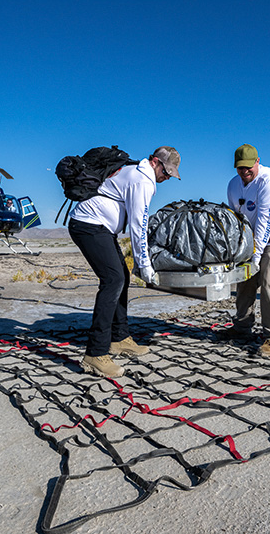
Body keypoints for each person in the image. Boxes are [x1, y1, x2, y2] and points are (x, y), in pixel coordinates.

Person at [68, 146, 181, 378]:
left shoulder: (135, 172)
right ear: (155, 162)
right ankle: (95, 353)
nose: (167, 178)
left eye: (170, 175)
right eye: (166, 172)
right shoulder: (143, 181)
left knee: (122, 277)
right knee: (112, 280)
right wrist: (145, 265)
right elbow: (138, 226)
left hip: (100, 228)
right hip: (89, 225)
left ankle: (119, 338)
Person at [224, 144, 270, 357]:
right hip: (252, 236)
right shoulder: (233, 184)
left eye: (249, 167)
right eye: (240, 168)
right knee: (245, 279)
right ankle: (241, 327)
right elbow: (235, 218)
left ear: (257, 161)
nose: (245, 172)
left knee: (269, 280)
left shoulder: (269, 182)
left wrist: (256, 257)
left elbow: (266, 221)